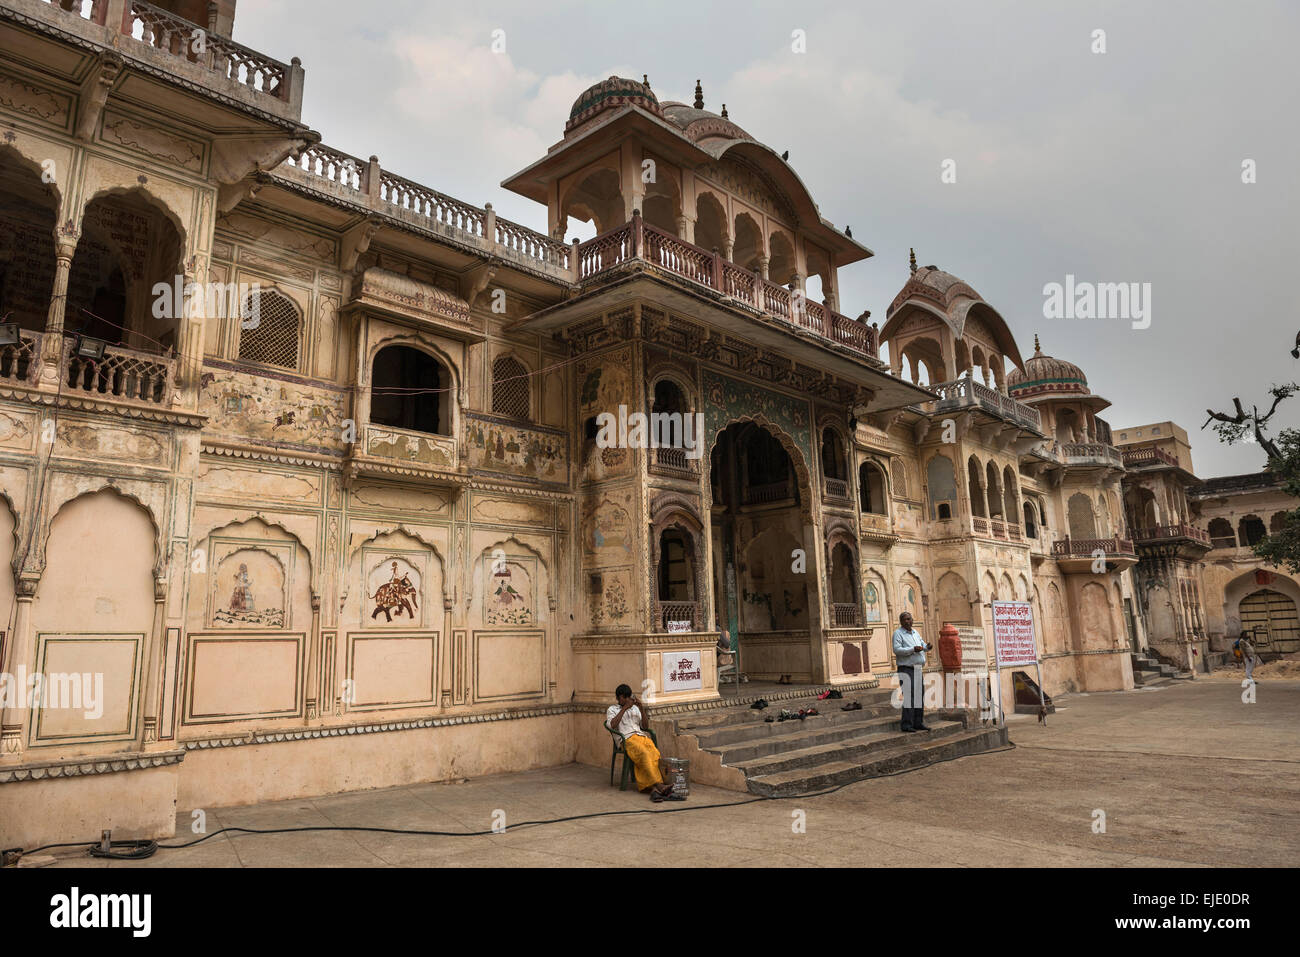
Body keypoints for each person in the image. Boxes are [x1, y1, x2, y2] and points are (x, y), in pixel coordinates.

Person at [605, 684, 677, 801]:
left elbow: (645, 726)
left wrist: (641, 708)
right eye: (625, 697)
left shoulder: (635, 709)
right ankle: (659, 785)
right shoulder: (612, 709)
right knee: (643, 754)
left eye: (629, 697)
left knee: (654, 753)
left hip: (641, 736)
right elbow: (612, 725)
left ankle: (653, 789)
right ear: (619, 697)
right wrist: (624, 709)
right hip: (627, 739)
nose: (628, 699)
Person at [892, 612, 932, 732]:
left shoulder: (915, 632)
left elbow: (921, 644)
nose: (907, 621)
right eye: (905, 620)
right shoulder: (898, 634)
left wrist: (926, 647)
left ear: (912, 620)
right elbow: (897, 650)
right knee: (909, 696)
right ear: (901, 622)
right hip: (906, 669)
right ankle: (906, 724)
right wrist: (912, 649)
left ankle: (918, 722)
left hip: (918, 669)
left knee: (920, 695)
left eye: (909, 619)